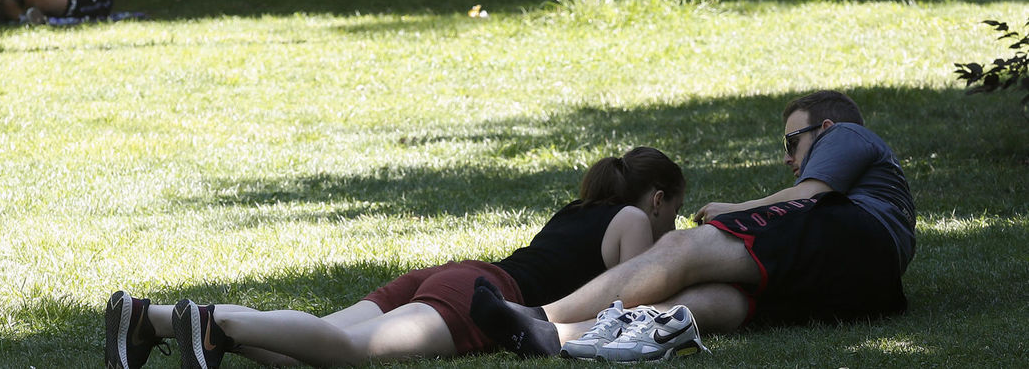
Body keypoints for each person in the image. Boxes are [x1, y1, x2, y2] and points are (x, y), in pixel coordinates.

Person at [104, 147, 688, 369]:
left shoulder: (576, 211)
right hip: (481, 297)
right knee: (355, 352)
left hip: (450, 277)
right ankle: (212, 323)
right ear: (658, 199)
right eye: (675, 214)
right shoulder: (634, 220)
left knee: (310, 347)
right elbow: (634, 299)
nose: (674, 228)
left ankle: (154, 318)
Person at [470, 90, 915, 364]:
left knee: (684, 247)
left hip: (859, 235)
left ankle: (542, 316)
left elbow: (808, 196)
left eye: (792, 141)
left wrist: (733, 210)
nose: (787, 157)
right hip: (870, 289)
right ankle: (560, 338)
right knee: (720, 301)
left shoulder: (850, 136)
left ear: (828, 128)